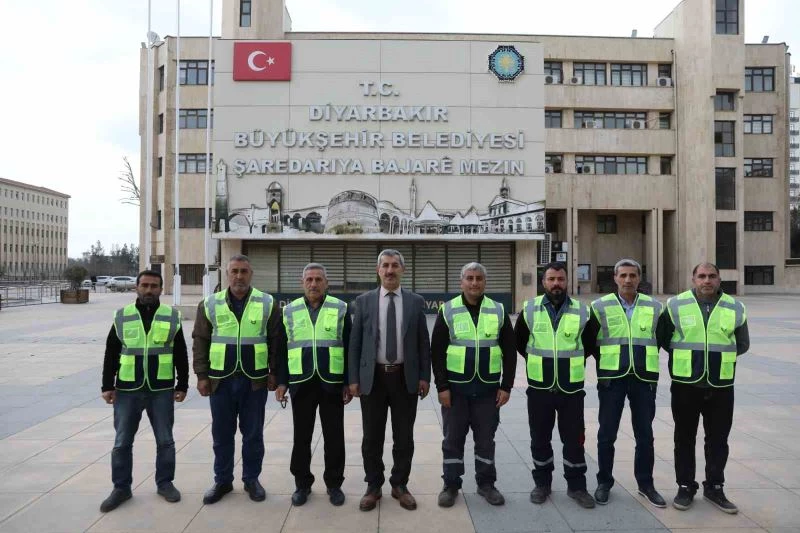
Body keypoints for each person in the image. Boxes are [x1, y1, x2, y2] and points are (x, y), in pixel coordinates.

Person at [192, 254, 286, 504]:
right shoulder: (210, 304)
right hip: (219, 380)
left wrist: (274, 373)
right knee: (222, 434)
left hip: (254, 381)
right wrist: (201, 375)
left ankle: (251, 479)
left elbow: (276, 341)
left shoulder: (267, 303)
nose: (239, 276)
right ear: (227, 274)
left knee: (253, 434)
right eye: (234, 271)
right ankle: (222, 481)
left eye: (244, 271)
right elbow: (200, 340)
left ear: (251, 274)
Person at [656, 262, 749, 514]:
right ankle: (685, 486)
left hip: (721, 384)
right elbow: (664, 338)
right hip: (686, 384)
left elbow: (742, 344)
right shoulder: (675, 305)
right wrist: (689, 360)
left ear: (719, 279)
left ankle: (715, 487)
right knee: (684, 438)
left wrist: (716, 360)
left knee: (718, 439)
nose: (707, 280)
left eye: (712, 276)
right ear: (693, 279)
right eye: (701, 276)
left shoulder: (735, 307)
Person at [348, 249, 431, 512]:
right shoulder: (363, 301)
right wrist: (353, 378)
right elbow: (355, 344)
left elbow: (422, 343)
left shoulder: (416, 302)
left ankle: (399, 484)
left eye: (395, 265)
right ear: (378, 270)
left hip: (405, 378)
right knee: (371, 436)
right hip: (373, 378)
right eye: (385, 265)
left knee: (404, 436)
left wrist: (424, 377)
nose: (390, 270)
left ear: (402, 270)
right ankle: (373, 486)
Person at [99, 270, 188, 512]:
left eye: (154, 286)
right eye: (145, 285)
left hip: (161, 388)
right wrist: (107, 384)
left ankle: (165, 483)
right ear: (137, 288)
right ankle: (121, 488)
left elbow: (180, 352)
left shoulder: (171, 316)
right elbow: (111, 351)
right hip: (127, 389)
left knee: (166, 441)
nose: (149, 290)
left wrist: (183, 384)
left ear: (161, 289)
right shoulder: (122, 316)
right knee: (122, 442)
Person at [431, 262, 516, 508]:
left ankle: (486, 484)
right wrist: (442, 387)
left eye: (479, 278)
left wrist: (507, 386)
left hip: (488, 391)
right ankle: (451, 484)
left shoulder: (498, 310)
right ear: (461, 282)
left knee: (485, 441)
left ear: (485, 282)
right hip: (456, 391)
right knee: (453, 440)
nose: (474, 282)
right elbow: (436, 352)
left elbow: (510, 352)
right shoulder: (448, 310)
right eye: (469, 278)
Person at [514, 262, 597, 509]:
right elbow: (520, 343)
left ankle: (577, 487)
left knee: (574, 439)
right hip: (539, 389)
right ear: (543, 282)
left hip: (571, 390)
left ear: (567, 281)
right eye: (551, 279)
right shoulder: (529, 309)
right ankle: (542, 484)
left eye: (560, 279)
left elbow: (590, 344)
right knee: (539, 438)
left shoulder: (583, 311)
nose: (556, 284)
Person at [590, 259, 666, 508]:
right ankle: (604, 483)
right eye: (623, 275)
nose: (628, 280)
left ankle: (645, 484)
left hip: (644, 379)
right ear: (615, 278)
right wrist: (606, 363)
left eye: (633, 275)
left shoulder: (654, 306)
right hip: (612, 379)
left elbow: (663, 337)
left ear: (639, 278)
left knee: (645, 435)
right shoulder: (599, 306)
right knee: (606, 434)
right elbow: (590, 340)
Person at [276, 263, 352, 507]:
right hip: (301, 383)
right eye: (309, 279)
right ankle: (302, 484)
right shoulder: (289, 311)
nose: (313, 284)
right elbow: (280, 349)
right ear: (302, 283)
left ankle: (334, 484)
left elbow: (350, 347)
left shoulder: (341, 308)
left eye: (319, 279)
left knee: (334, 437)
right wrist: (281, 382)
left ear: (326, 283)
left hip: (332, 382)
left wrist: (348, 383)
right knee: (301, 437)